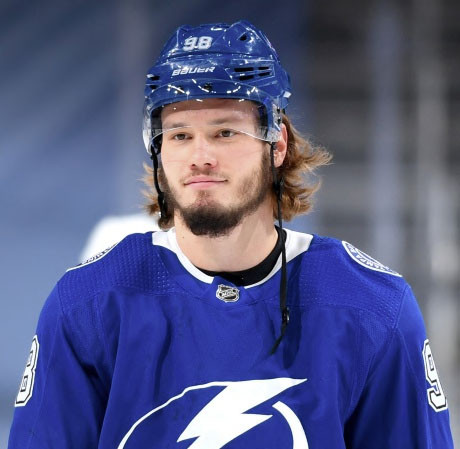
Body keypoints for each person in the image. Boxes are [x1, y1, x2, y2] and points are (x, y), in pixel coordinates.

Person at [8, 20, 454, 449]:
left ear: (277, 145)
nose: (200, 157)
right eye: (180, 135)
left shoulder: (371, 306)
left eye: (224, 132)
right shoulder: (89, 303)